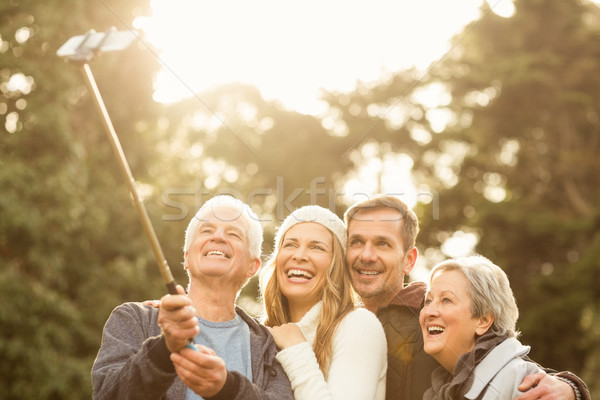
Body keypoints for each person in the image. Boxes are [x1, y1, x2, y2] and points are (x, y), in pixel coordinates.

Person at [343, 195, 590, 400]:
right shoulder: (332, 322)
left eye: (382, 244)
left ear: (409, 259)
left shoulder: (431, 316)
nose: (366, 255)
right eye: (356, 242)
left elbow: (506, 362)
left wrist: (570, 389)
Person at [92, 195, 293, 400]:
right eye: (207, 230)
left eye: (234, 234)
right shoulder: (135, 319)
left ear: (253, 266)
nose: (218, 237)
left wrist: (228, 388)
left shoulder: (269, 346)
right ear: (187, 257)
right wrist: (164, 349)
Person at [259, 205, 387, 399]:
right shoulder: (262, 334)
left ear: (336, 266)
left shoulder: (359, 325)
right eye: (290, 244)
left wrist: (296, 350)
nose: (299, 255)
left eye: (317, 247)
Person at [419, 255, 544, 399]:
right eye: (428, 301)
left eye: (446, 300)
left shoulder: (521, 381)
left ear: (483, 321)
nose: (429, 312)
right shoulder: (441, 387)